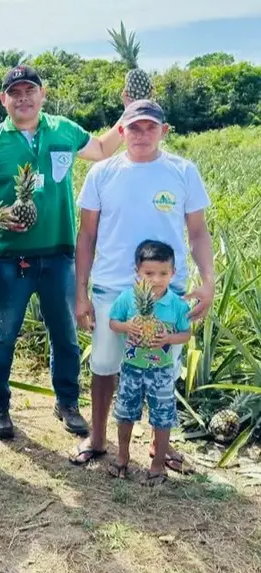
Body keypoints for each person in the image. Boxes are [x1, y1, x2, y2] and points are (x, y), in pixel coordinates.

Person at [0, 64, 128, 439]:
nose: (23, 98)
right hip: (9, 257)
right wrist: (2, 216)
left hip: (59, 254)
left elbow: (104, 150)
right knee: (2, 335)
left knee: (65, 333)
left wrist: (129, 113)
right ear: (3, 99)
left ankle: (67, 402)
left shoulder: (65, 131)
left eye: (30, 90)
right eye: (15, 92)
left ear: (42, 94)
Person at [72, 100, 214, 470]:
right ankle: (99, 437)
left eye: (151, 127)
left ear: (164, 131)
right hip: (111, 289)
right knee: (104, 366)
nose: (142, 134)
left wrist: (209, 281)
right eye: (134, 128)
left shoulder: (183, 171)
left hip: (169, 292)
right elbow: (86, 236)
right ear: (121, 131)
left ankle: (160, 445)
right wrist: (81, 292)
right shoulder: (101, 173)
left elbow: (198, 233)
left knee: (161, 366)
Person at [106, 240, 192, 485]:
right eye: (149, 273)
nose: (156, 279)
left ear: (173, 273)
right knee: (125, 414)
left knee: (163, 417)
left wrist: (168, 338)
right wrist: (126, 326)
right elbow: (113, 323)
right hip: (132, 370)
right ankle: (123, 456)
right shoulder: (127, 299)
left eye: (163, 273)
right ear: (138, 273)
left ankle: (157, 464)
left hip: (162, 372)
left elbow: (186, 333)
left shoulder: (176, 304)